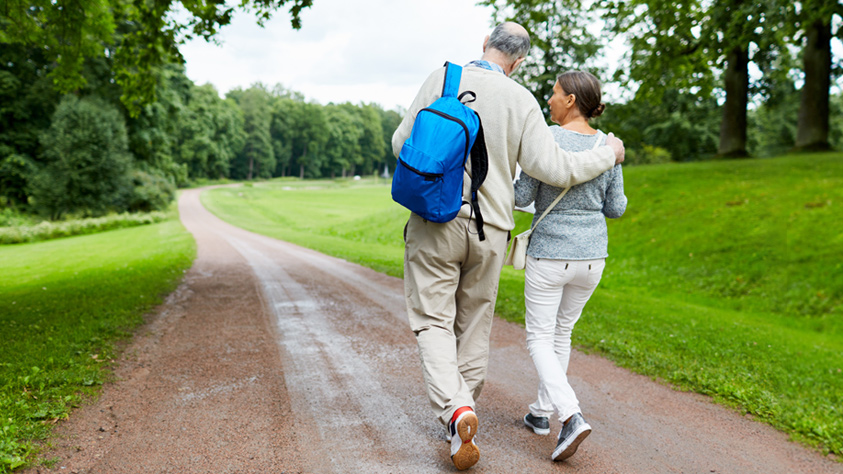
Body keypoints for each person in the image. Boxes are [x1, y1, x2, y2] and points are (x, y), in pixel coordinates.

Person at [392, 23, 625, 470]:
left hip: (434, 223)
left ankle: (456, 410)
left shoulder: (443, 76)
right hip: (490, 230)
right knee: (475, 322)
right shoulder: (521, 100)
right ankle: (463, 411)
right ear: (518, 64)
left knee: (433, 323)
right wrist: (608, 155)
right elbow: (556, 168)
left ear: (485, 45)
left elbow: (402, 142)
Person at [514, 71, 627, 462]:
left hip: (550, 254)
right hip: (593, 259)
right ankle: (540, 414)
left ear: (571, 101)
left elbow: (522, 195)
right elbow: (616, 207)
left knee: (539, 338)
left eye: (556, 93)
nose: (549, 98)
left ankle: (571, 415)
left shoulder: (545, 138)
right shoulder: (607, 146)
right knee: (561, 334)